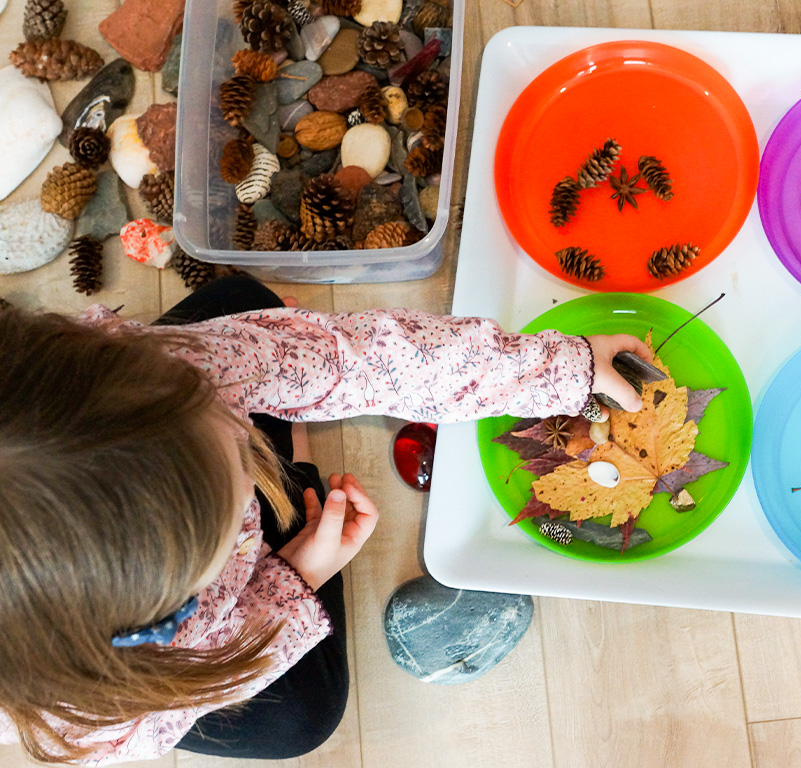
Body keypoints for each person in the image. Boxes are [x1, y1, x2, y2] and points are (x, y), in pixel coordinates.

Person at [0, 274, 651, 765]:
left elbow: (357, 357)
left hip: (137, 422)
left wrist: (560, 367)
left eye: (232, 431)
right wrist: (293, 576)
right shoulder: (95, 710)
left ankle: (250, 427)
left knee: (241, 305)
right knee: (301, 720)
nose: (247, 434)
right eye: (241, 481)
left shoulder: (156, 372)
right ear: (163, 615)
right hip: (195, 645)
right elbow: (202, 674)